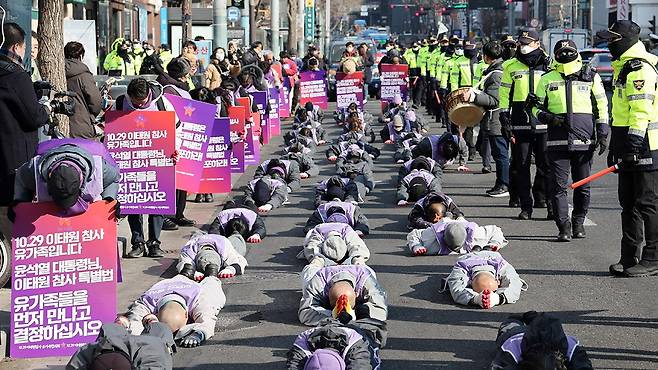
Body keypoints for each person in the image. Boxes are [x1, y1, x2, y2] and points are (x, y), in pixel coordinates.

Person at [596, 21, 658, 277]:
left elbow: (641, 112)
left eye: (612, 39)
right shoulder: (624, 67)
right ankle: (629, 256)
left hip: (645, 144)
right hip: (628, 143)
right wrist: (617, 147)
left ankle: (653, 258)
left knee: (647, 203)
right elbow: (620, 114)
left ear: (624, 40)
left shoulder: (640, 69)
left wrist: (632, 144)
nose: (609, 44)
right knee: (628, 204)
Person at [532, 39, 609, 242]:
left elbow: (602, 104)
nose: (565, 55)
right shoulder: (547, 78)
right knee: (558, 186)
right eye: (562, 51)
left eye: (569, 51)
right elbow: (534, 107)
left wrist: (602, 130)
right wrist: (547, 117)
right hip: (557, 141)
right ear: (556, 54)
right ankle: (563, 226)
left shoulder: (591, 76)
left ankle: (578, 222)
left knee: (583, 185)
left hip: (584, 140)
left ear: (575, 53)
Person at [114, 77, 178, 258]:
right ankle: (138, 241)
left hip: (158, 160)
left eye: (142, 103)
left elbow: (177, 127)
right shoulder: (121, 103)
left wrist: (176, 149)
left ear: (149, 95)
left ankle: (155, 242)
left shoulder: (163, 103)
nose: (139, 106)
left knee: (156, 202)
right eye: (135, 103)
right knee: (133, 200)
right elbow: (111, 128)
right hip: (131, 161)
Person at [0, 22, 52, 239]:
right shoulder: (15, 75)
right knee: (13, 213)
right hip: (16, 160)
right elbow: (33, 117)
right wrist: (48, 108)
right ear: (16, 47)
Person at [499, 28, 552, 220]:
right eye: (521, 43)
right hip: (520, 122)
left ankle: (546, 201)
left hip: (544, 122)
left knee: (546, 166)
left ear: (537, 44)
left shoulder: (550, 64)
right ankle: (525, 206)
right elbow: (504, 94)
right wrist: (504, 116)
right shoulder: (510, 66)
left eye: (527, 43)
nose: (523, 47)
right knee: (520, 165)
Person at [13, 138, 120, 217]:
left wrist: (109, 200)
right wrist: (20, 204)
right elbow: (21, 179)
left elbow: (114, 178)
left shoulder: (100, 167)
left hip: (91, 153)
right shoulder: (34, 169)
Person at [115, 274, 225, 348]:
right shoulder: (146, 301)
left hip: (191, 287)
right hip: (170, 282)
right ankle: (187, 272)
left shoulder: (199, 298)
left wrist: (198, 334)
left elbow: (208, 321)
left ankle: (209, 275)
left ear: (187, 314)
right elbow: (134, 320)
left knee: (213, 284)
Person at [463, 41, 509, 197]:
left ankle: (504, 184)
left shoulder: (496, 74)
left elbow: (495, 100)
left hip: (496, 119)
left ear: (487, 57)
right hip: (494, 118)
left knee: (500, 153)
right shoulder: (496, 70)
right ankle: (500, 183)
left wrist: (474, 97)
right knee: (495, 152)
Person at [298, 264, 387, 335]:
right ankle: (317, 261)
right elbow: (305, 312)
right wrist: (332, 316)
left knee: (365, 265)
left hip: (357, 268)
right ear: (327, 294)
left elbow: (381, 307)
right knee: (309, 271)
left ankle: (357, 259)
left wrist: (358, 313)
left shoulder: (365, 278)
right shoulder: (318, 281)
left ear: (356, 294)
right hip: (323, 271)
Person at [490, 311, 593, 370]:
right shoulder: (512, 350)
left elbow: (584, 366)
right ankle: (519, 318)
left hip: (547, 332)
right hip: (516, 334)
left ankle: (534, 317)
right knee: (509, 326)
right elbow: (498, 367)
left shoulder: (570, 348)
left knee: (542, 324)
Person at [66, 323, 175, 370]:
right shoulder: (84, 356)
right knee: (110, 328)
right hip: (114, 340)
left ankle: (151, 320)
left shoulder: (154, 358)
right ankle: (121, 323)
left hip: (151, 345)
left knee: (161, 328)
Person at [286, 320, 379, 370]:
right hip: (321, 330)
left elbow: (361, 366)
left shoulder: (357, 350)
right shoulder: (300, 351)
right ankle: (336, 320)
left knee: (374, 332)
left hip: (355, 333)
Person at [445, 250, 525, 309]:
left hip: (492, 255)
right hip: (468, 257)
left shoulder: (503, 266)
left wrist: (497, 298)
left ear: (498, 281)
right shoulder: (461, 269)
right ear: (470, 282)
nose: (488, 295)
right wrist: (476, 299)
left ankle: (484, 248)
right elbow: (457, 290)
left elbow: (515, 283)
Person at [64, 42, 103, 139]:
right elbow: (95, 101)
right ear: (81, 56)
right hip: (81, 125)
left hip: (59, 126)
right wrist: (92, 115)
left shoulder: (58, 70)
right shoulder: (84, 75)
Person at [407, 219, 508, 256]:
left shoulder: (476, 234)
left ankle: (456, 216)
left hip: (462, 224)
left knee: (459, 218)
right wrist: (416, 246)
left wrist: (495, 242)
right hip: (444, 224)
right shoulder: (433, 237)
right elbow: (414, 234)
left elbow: (496, 230)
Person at [176, 233, 248, 280]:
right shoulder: (190, 248)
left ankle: (236, 235)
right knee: (197, 234)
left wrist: (230, 269)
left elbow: (240, 260)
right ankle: (200, 233)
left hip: (220, 240)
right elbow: (183, 263)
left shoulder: (225, 248)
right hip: (199, 238)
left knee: (237, 240)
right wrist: (192, 272)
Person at [301, 222, 370, 266]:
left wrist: (358, 260)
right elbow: (312, 247)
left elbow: (358, 246)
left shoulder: (347, 230)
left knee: (358, 254)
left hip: (343, 226)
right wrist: (317, 260)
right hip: (322, 227)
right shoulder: (318, 231)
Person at [304, 200, 370, 236]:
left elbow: (363, 222)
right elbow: (309, 227)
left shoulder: (353, 210)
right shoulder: (320, 212)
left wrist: (359, 230)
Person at [403, 42, 424, 108]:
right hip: (412, 73)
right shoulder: (409, 53)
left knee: (419, 88)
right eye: (414, 46)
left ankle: (417, 103)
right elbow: (405, 61)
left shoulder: (422, 52)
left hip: (421, 72)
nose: (415, 47)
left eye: (416, 46)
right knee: (413, 89)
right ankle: (415, 102)